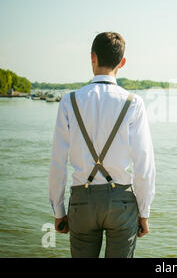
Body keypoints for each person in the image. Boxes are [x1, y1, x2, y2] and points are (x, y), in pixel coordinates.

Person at [48, 32, 156, 258]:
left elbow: (58, 161)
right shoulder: (133, 103)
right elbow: (144, 164)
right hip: (121, 204)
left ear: (92, 57)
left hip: (81, 202)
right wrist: (144, 213)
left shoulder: (69, 101)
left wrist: (59, 211)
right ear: (122, 62)